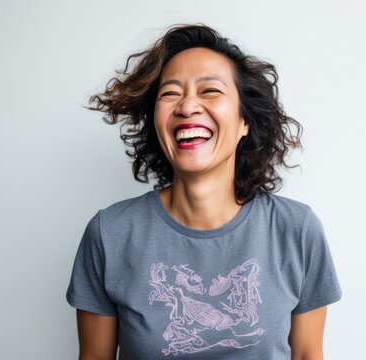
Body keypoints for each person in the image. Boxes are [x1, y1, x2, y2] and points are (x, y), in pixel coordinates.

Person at [66, 24, 341, 359]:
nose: (187, 106)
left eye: (210, 91)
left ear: (245, 121)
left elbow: (307, 355)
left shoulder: (296, 230)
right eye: (170, 94)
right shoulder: (110, 234)